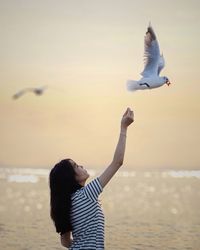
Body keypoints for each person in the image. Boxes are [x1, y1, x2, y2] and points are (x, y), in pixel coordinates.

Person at [49, 107, 134, 249]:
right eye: (76, 166)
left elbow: (65, 242)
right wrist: (123, 128)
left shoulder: (65, 205)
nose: (81, 165)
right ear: (71, 178)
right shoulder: (87, 194)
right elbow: (117, 162)